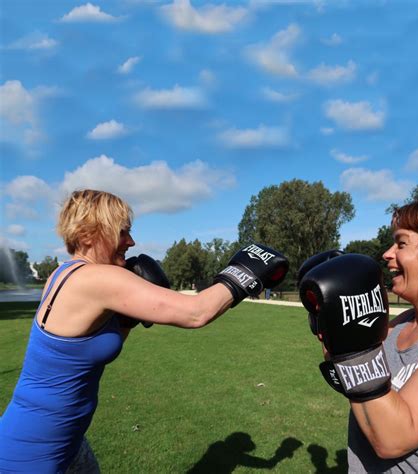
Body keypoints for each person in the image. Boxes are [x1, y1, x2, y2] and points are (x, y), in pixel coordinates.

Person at [0, 189, 289, 473]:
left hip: (66, 441)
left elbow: (87, 350)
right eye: (122, 232)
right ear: (88, 234)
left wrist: (126, 320)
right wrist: (245, 272)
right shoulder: (96, 278)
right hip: (34, 453)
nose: (131, 241)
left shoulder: (63, 273)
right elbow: (196, 312)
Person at [299, 196, 418, 472]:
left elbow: (392, 439)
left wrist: (350, 350)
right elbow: (358, 386)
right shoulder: (400, 323)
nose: (387, 253)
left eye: (401, 243)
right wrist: (330, 322)